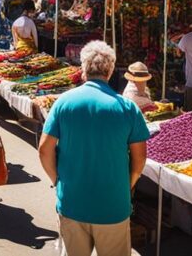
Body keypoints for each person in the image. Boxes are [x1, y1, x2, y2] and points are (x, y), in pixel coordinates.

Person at [38, 40, 149, 256]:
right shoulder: (127, 108)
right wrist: (129, 184)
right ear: (110, 71)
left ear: (83, 70)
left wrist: (57, 181)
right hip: (113, 204)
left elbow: (44, 149)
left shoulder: (64, 102)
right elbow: (140, 158)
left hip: (72, 201)